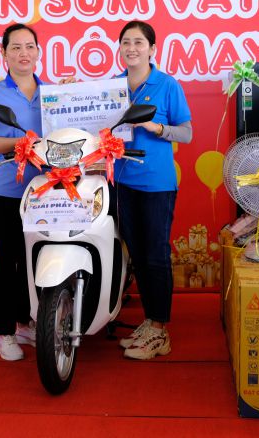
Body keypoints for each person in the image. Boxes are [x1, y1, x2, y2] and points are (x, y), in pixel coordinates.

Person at [113, 20, 192, 361]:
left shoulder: (167, 85)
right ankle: (149, 320)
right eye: (126, 42)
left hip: (157, 184)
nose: (132, 48)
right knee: (137, 254)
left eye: (139, 42)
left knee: (156, 254)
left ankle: (160, 331)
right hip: (122, 182)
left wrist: (156, 127)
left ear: (152, 49)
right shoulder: (112, 86)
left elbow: (186, 132)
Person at [0, 23, 45, 362]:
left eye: (29, 46)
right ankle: (3, 333)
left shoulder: (51, 95)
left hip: (45, 193)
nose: (23, 53)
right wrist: (20, 143)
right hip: (5, 193)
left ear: (38, 52)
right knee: (5, 262)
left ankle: (24, 323)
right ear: (4, 53)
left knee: (35, 261)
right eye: (16, 47)